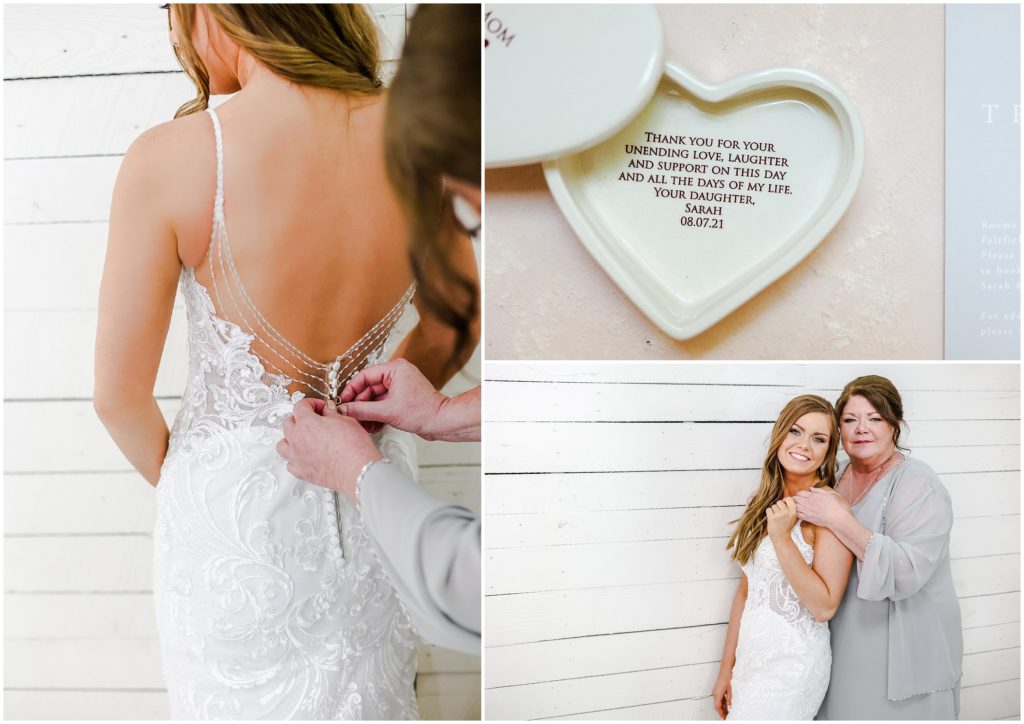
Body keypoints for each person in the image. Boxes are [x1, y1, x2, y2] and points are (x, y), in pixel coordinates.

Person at [93, 4, 476, 719]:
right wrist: (376, 417)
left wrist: (209, 491)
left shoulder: (173, 157)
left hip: (232, 545)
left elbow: (117, 396)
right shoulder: (418, 135)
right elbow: (461, 320)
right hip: (372, 508)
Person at [278, 4, 482, 654]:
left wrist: (362, 473)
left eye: (472, 210)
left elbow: (469, 577)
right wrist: (443, 412)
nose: (472, 221)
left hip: (371, 503)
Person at [795, 376, 963, 719]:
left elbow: (907, 569)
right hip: (843, 633)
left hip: (902, 639)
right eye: (850, 419)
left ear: (895, 425)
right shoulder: (834, 476)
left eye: (875, 418)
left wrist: (839, 519)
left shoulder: (918, 482)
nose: (862, 429)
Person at [713, 395, 853, 720]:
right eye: (795, 431)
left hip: (792, 669)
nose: (803, 445)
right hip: (751, 663)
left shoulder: (828, 508)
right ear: (780, 435)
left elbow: (825, 607)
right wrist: (726, 671)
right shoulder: (760, 503)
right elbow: (747, 592)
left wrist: (780, 537)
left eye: (818, 439)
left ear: (827, 452)